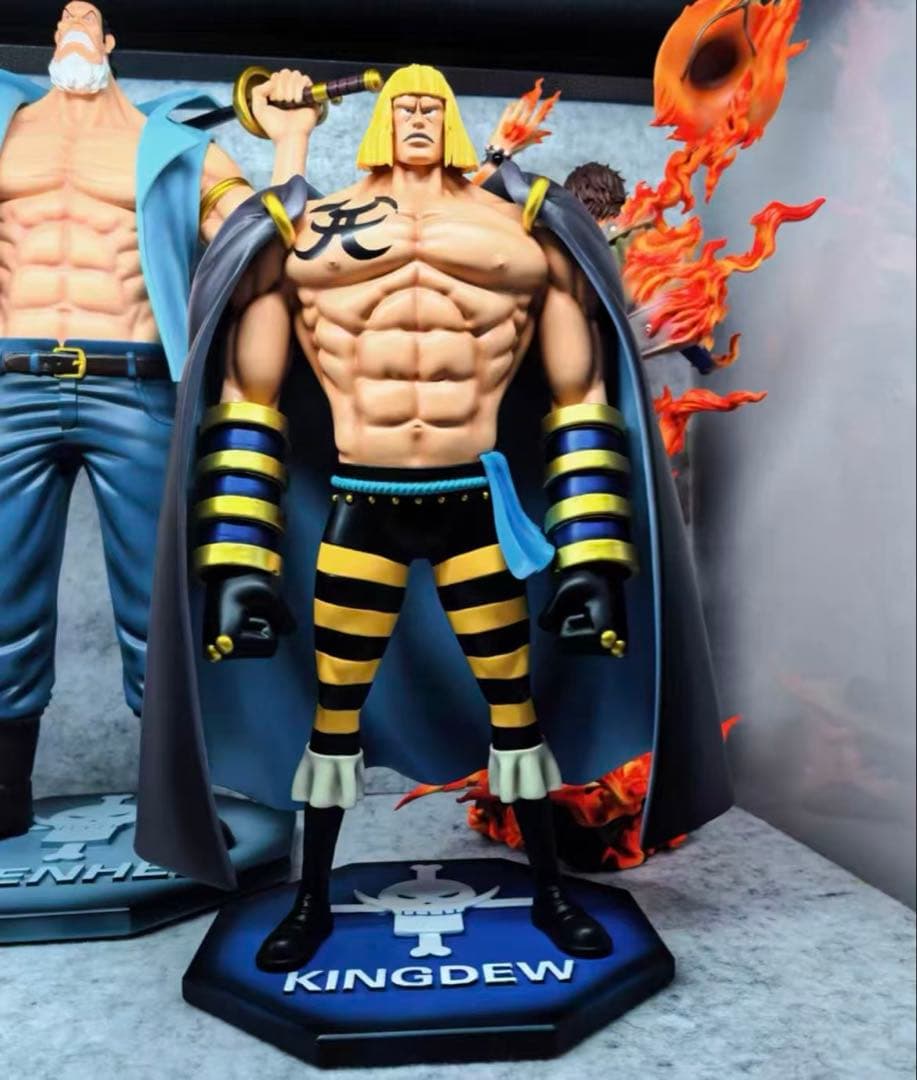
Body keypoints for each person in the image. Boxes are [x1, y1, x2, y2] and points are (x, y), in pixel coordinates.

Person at [137, 64, 732, 973]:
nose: (416, 115)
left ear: (453, 119)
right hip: (361, 507)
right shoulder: (305, 232)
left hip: (475, 507)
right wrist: (238, 560)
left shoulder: (523, 228)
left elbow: (579, 393)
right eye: (402, 105)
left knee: (515, 710)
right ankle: (310, 900)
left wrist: (593, 553)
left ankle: (549, 892)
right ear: (379, 120)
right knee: (332, 717)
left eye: (432, 104)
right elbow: (248, 394)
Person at [0, 2, 253, 837]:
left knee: (160, 599)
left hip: (135, 380)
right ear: (52, 44)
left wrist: (289, 141)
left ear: (109, 44)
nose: (74, 21)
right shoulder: (8, 126)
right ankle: (2, 799)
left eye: (89, 17)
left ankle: (176, 805)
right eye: (63, 18)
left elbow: (260, 239)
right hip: (11, 379)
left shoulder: (173, 141)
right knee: (0, 596)